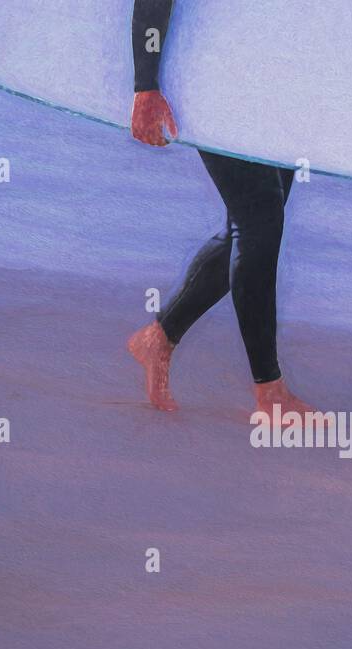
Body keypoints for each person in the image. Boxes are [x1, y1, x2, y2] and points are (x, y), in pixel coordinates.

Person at [126, 0, 313, 415]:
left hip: (265, 79)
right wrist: (145, 86)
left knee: (252, 223)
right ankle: (270, 392)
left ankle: (159, 337)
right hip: (211, 80)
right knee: (259, 222)